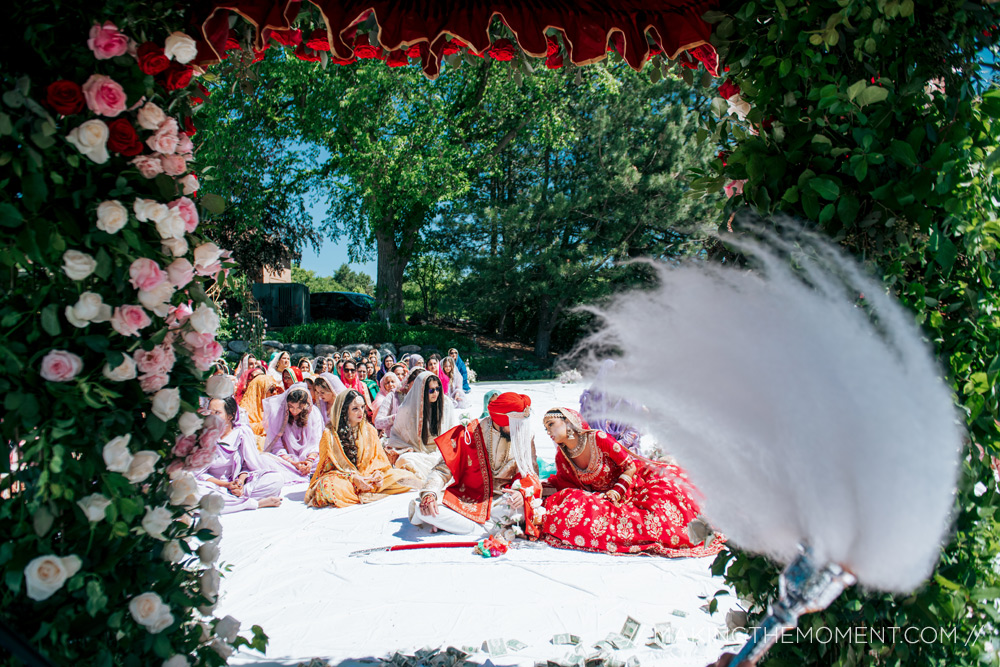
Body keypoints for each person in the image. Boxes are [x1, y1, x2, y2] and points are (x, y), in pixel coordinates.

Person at [540, 407, 724, 557]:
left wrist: (617, 491)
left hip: (635, 484)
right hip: (605, 497)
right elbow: (565, 483)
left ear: (568, 422)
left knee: (664, 508)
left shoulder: (597, 438)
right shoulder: (564, 456)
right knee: (567, 506)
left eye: (551, 424)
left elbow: (629, 467)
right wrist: (531, 489)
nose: (548, 431)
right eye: (546, 428)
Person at [410, 392, 539, 535]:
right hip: (468, 499)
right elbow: (442, 470)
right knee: (424, 509)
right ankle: (485, 527)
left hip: (503, 500)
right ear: (500, 420)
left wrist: (521, 494)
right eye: (516, 424)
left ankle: (466, 526)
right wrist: (429, 494)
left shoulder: (523, 434)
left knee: (523, 510)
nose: (520, 428)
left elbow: (531, 473)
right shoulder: (470, 433)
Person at [304, 390, 421, 508]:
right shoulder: (329, 435)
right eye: (355, 408)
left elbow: (379, 460)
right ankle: (361, 491)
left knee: (403, 477)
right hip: (345, 480)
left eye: (362, 407)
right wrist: (353, 478)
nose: (361, 412)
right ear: (344, 411)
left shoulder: (369, 430)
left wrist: (377, 475)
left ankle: (367, 488)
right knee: (330, 487)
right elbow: (326, 468)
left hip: (368, 476)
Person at [196, 397, 285, 512]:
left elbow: (249, 465)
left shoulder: (242, 433)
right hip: (214, 485)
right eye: (210, 413)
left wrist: (240, 483)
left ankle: (234, 499)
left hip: (237, 486)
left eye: (217, 413)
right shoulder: (204, 436)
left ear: (230, 416)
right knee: (191, 492)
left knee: (276, 479)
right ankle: (253, 503)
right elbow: (199, 474)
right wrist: (226, 485)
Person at [386, 370, 456, 480]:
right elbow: (396, 435)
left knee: (454, 458)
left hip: (440, 451)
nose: (435, 393)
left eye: (437, 389)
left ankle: (437, 472)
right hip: (419, 453)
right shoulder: (407, 409)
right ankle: (438, 473)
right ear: (421, 391)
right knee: (402, 460)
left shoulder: (446, 404)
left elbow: (454, 431)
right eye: (431, 390)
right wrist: (406, 448)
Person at [578, 359, 643, 453]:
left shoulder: (632, 401)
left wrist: (618, 445)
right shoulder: (591, 399)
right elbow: (582, 426)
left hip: (624, 449)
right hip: (596, 449)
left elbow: (634, 428)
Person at [262, 383, 323, 479]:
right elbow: (277, 445)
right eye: (291, 407)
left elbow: (316, 443)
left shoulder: (314, 413)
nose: (294, 411)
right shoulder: (279, 414)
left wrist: (309, 462)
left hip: (310, 460)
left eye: (299, 407)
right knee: (265, 459)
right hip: (287, 460)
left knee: (325, 461)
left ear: (305, 405)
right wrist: (293, 463)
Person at [239, 372, 281, 449]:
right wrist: (265, 426)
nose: (275, 393)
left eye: (276, 389)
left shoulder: (276, 407)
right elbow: (243, 429)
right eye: (271, 390)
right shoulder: (243, 411)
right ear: (260, 391)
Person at [372, 373, 402, 439]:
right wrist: (393, 418)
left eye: (392, 382)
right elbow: (377, 422)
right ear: (383, 385)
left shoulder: (401, 395)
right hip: (387, 434)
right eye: (387, 383)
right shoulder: (380, 397)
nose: (390, 384)